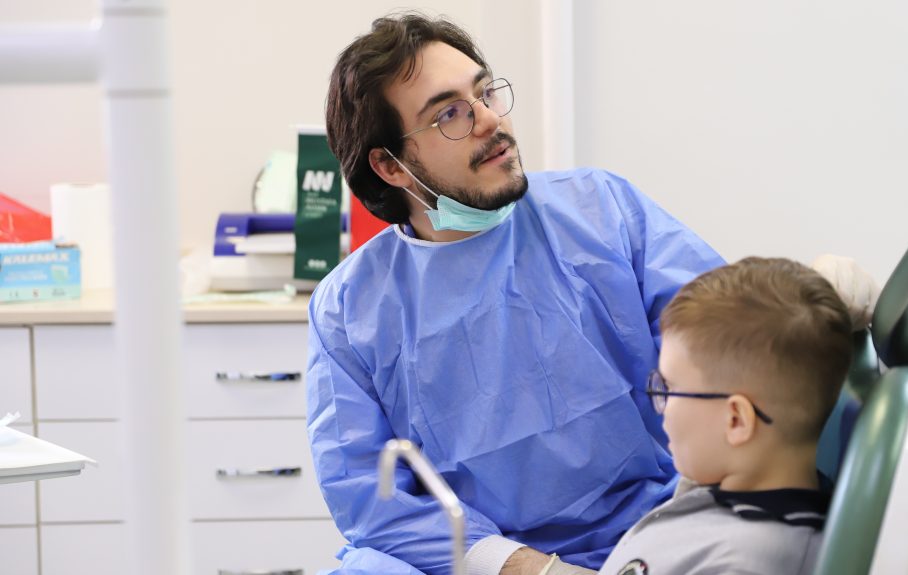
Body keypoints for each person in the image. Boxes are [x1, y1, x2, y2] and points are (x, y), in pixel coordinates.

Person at [306, 12, 875, 575]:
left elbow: (724, 339)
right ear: (390, 166)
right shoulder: (348, 311)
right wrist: (529, 569)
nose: (489, 120)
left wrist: (813, 296)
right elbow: (371, 500)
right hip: (479, 560)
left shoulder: (600, 210)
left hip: (658, 526)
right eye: (450, 114)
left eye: (486, 93)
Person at [599, 257, 853, 575]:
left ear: (736, 420)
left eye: (670, 388)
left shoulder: (744, 565)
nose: (660, 405)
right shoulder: (724, 492)